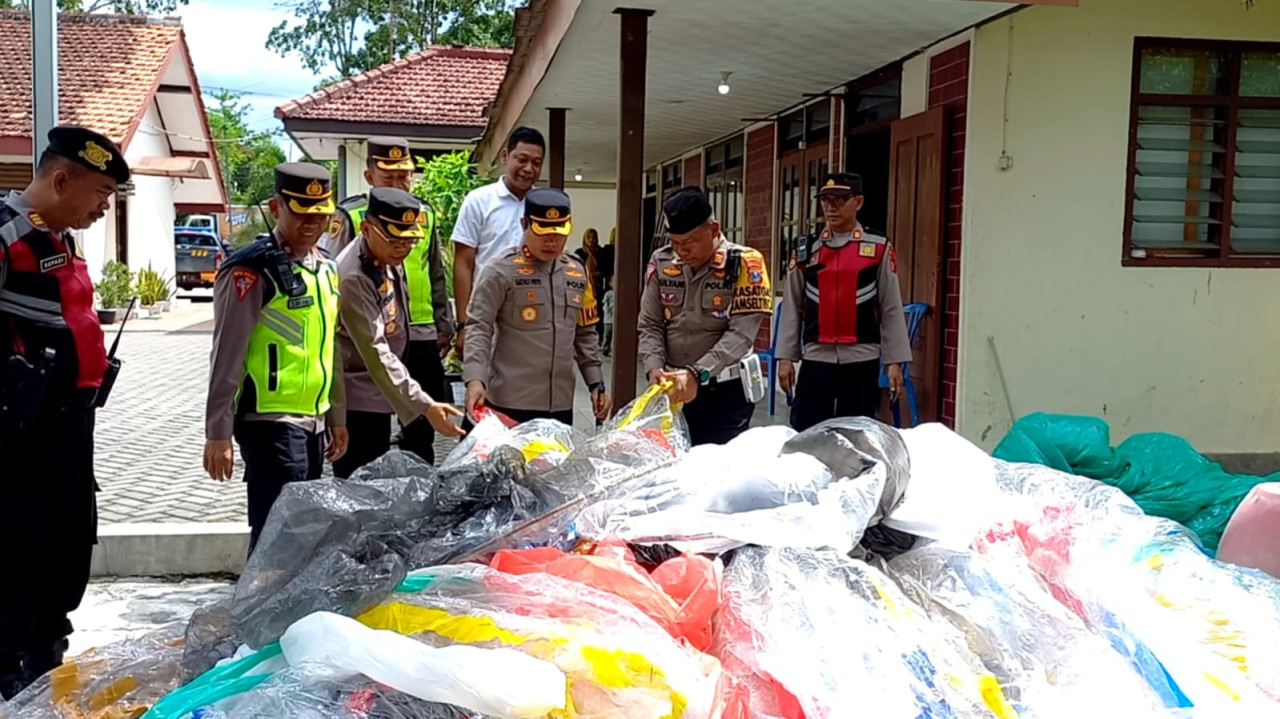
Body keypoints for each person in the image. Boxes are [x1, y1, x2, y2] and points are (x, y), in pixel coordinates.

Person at [0, 126, 130, 699]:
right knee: (19, 559)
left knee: (66, 552)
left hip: (70, 430)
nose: (104, 207)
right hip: (20, 439)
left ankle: (45, 665)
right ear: (60, 180)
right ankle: (9, 678)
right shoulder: (6, 236)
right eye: (100, 193)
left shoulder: (60, 239)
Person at [203, 162, 348, 553]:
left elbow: (329, 347)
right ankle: (259, 596)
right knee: (276, 540)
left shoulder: (325, 268)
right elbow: (227, 353)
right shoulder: (251, 270)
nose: (312, 222)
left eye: (320, 213)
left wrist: (336, 417)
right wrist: (218, 432)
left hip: (313, 422)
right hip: (270, 423)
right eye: (301, 211)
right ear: (276, 207)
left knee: (302, 537)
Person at [323, 137, 455, 464]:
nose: (404, 249)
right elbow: (374, 350)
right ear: (367, 228)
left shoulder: (387, 252)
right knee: (361, 474)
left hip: (389, 372)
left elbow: (433, 275)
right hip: (360, 386)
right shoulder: (354, 274)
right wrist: (425, 404)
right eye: (396, 240)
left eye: (409, 241)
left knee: (405, 453)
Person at [463, 187, 611, 426]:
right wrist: (475, 379)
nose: (551, 241)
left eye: (559, 233)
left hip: (560, 406)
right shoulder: (500, 270)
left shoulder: (577, 272)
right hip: (509, 404)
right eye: (543, 232)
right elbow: (479, 327)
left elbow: (585, 333)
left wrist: (596, 383)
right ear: (525, 224)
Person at [776, 172, 912, 431]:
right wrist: (785, 357)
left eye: (840, 200)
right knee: (808, 432)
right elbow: (792, 304)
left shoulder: (878, 247)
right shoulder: (807, 248)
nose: (831, 207)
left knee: (855, 433)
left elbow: (891, 307)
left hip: (861, 356)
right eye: (826, 200)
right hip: (817, 356)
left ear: (858, 202)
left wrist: (894, 361)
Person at [638, 186, 773, 446]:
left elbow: (741, 335)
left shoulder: (745, 263)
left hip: (725, 392)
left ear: (713, 229)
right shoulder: (662, 262)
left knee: (715, 467)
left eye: (688, 243)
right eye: (674, 243)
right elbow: (650, 323)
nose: (680, 252)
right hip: (674, 388)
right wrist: (654, 367)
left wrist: (697, 373)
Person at [452, 126, 544, 359]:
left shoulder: (544, 206)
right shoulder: (479, 201)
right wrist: (463, 324)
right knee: (483, 377)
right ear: (505, 156)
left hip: (532, 316)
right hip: (486, 315)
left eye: (536, 163)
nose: (528, 168)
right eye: (522, 159)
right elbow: (463, 263)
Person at [322, 136, 418, 258]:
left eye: (403, 177)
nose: (396, 185)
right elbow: (333, 264)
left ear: (411, 175)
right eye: (388, 178)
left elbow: (435, 266)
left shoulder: (425, 212)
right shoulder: (350, 213)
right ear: (370, 177)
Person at [574, 227, 605, 345]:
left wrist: (596, 275)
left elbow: (606, 270)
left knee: (600, 312)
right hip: (585, 288)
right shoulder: (579, 253)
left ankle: (600, 338)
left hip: (599, 288)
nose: (591, 240)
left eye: (593, 237)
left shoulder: (601, 253)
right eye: (589, 237)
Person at [602, 287, 615, 358]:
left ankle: (609, 349)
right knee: (607, 335)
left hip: (612, 319)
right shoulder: (609, 294)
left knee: (611, 336)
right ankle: (605, 349)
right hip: (608, 319)